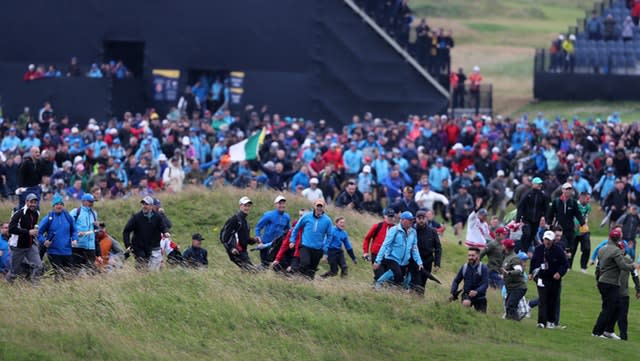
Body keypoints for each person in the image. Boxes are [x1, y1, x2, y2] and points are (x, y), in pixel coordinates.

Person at [592, 228, 636, 339]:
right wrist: (633, 266)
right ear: (619, 238)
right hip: (611, 283)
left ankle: (607, 331)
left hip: (602, 281)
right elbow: (623, 266)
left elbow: (599, 268)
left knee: (612, 307)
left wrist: (597, 279)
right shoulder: (616, 251)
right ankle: (597, 332)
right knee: (609, 308)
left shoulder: (602, 249)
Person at [530, 230, 569, 329]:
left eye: (549, 240)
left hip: (554, 279)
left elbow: (565, 264)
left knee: (552, 300)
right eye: (545, 239)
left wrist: (559, 273)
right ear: (543, 239)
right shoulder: (539, 249)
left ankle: (550, 321)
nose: (547, 242)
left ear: (553, 241)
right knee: (543, 299)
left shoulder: (558, 250)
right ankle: (541, 322)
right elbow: (533, 261)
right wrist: (531, 273)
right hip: (541, 278)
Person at [373, 211, 423, 288]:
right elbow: (385, 245)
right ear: (402, 220)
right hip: (391, 258)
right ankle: (378, 283)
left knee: (400, 279)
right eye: (409, 220)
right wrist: (377, 260)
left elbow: (414, 249)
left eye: (412, 220)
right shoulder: (394, 230)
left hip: (404, 261)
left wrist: (419, 262)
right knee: (398, 274)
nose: (411, 222)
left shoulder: (413, 232)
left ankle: (391, 288)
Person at [123, 196, 170, 271]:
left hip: (150, 247)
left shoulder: (157, 217)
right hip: (138, 246)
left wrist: (165, 232)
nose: (144, 206)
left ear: (151, 206)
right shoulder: (136, 217)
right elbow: (126, 231)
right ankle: (139, 276)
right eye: (143, 204)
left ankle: (144, 279)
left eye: (146, 204)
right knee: (141, 262)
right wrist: (128, 245)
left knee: (149, 268)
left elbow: (162, 226)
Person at [289, 198, 333, 279]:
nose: (319, 208)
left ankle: (305, 283)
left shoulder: (327, 220)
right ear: (314, 206)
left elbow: (330, 236)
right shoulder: (306, 216)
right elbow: (296, 228)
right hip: (305, 246)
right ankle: (294, 276)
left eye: (321, 206)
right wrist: (292, 240)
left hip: (318, 249)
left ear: (324, 207)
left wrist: (325, 249)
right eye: (318, 206)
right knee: (305, 263)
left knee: (312, 271)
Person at [37, 194, 77, 278]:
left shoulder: (68, 217)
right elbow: (39, 233)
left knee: (70, 275)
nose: (59, 206)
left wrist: (74, 239)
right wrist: (44, 241)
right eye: (57, 204)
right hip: (53, 252)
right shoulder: (48, 218)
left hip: (67, 251)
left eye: (61, 204)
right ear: (53, 206)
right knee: (59, 274)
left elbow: (74, 230)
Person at [547, 182, 584, 270]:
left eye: (570, 189)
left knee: (571, 248)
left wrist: (583, 223)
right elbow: (551, 214)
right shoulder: (556, 201)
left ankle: (568, 266)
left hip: (570, 228)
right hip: (559, 229)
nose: (568, 191)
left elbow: (578, 214)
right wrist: (549, 223)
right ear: (563, 190)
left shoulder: (573, 202)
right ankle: (558, 264)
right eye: (567, 189)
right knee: (560, 246)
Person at [7, 193, 42, 284]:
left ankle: (35, 286)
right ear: (26, 202)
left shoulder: (36, 213)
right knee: (15, 272)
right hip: (17, 246)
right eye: (31, 202)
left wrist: (34, 233)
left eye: (35, 202)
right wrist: (28, 232)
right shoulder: (18, 213)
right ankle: (8, 285)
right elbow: (11, 229)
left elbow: (33, 227)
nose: (33, 204)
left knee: (38, 266)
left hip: (30, 245)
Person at [220, 196, 262, 270]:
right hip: (235, 251)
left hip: (242, 251)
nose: (247, 208)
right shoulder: (235, 219)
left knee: (250, 271)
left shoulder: (245, 222)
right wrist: (231, 248)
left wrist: (254, 240)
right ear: (240, 206)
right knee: (251, 271)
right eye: (245, 205)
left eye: (248, 206)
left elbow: (245, 239)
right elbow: (224, 236)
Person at [410, 209, 442, 294]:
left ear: (426, 219)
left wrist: (437, 263)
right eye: (419, 218)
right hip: (414, 262)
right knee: (417, 283)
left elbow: (438, 248)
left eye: (423, 218)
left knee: (423, 283)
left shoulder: (432, 231)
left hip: (427, 261)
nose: (421, 220)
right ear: (415, 219)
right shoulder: (411, 230)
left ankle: (418, 301)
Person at [254, 195, 291, 266]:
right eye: (280, 203)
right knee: (265, 265)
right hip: (265, 244)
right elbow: (258, 227)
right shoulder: (269, 215)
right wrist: (258, 237)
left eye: (283, 203)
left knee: (278, 264)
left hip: (277, 245)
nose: (282, 205)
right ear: (276, 205)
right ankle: (253, 271)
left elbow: (287, 231)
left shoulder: (286, 217)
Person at [450, 247, 489, 312]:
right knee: (466, 303)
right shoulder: (464, 267)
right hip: (467, 294)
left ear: (478, 256)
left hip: (480, 296)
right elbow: (456, 281)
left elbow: (485, 284)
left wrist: (476, 291)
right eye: (469, 255)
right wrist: (453, 292)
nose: (470, 257)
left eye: (473, 255)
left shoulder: (483, 268)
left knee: (481, 317)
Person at [516, 177, 549, 254]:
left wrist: (546, 218)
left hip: (536, 220)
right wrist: (518, 220)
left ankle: (525, 251)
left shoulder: (543, 196)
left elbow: (546, 208)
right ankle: (522, 250)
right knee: (526, 233)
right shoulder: (527, 194)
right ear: (533, 184)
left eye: (540, 184)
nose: (540, 185)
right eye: (538, 184)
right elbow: (521, 206)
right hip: (526, 219)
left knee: (532, 236)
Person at [69, 194, 101, 271]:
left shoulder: (94, 213)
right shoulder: (75, 212)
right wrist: (77, 234)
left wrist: (97, 226)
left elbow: (95, 230)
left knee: (90, 272)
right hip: (78, 247)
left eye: (93, 202)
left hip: (91, 248)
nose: (92, 203)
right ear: (83, 201)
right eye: (90, 201)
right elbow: (68, 227)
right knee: (75, 271)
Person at [501, 238, 527, 320]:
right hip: (512, 288)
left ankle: (514, 322)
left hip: (518, 288)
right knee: (508, 306)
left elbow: (519, 270)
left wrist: (508, 273)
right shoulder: (507, 257)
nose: (501, 247)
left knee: (511, 305)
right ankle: (511, 322)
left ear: (506, 247)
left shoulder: (514, 258)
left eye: (503, 245)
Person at [574, 192, 592, 273]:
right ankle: (568, 267)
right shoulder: (574, 205)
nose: (589, 200)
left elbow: (586, 217)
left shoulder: (588, 207)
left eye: (589, 198)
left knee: (587, 248)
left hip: (584, 230)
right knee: (572, 249)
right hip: (574, 231)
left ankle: (583, 268)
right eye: (587, 198)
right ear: (581, 198)